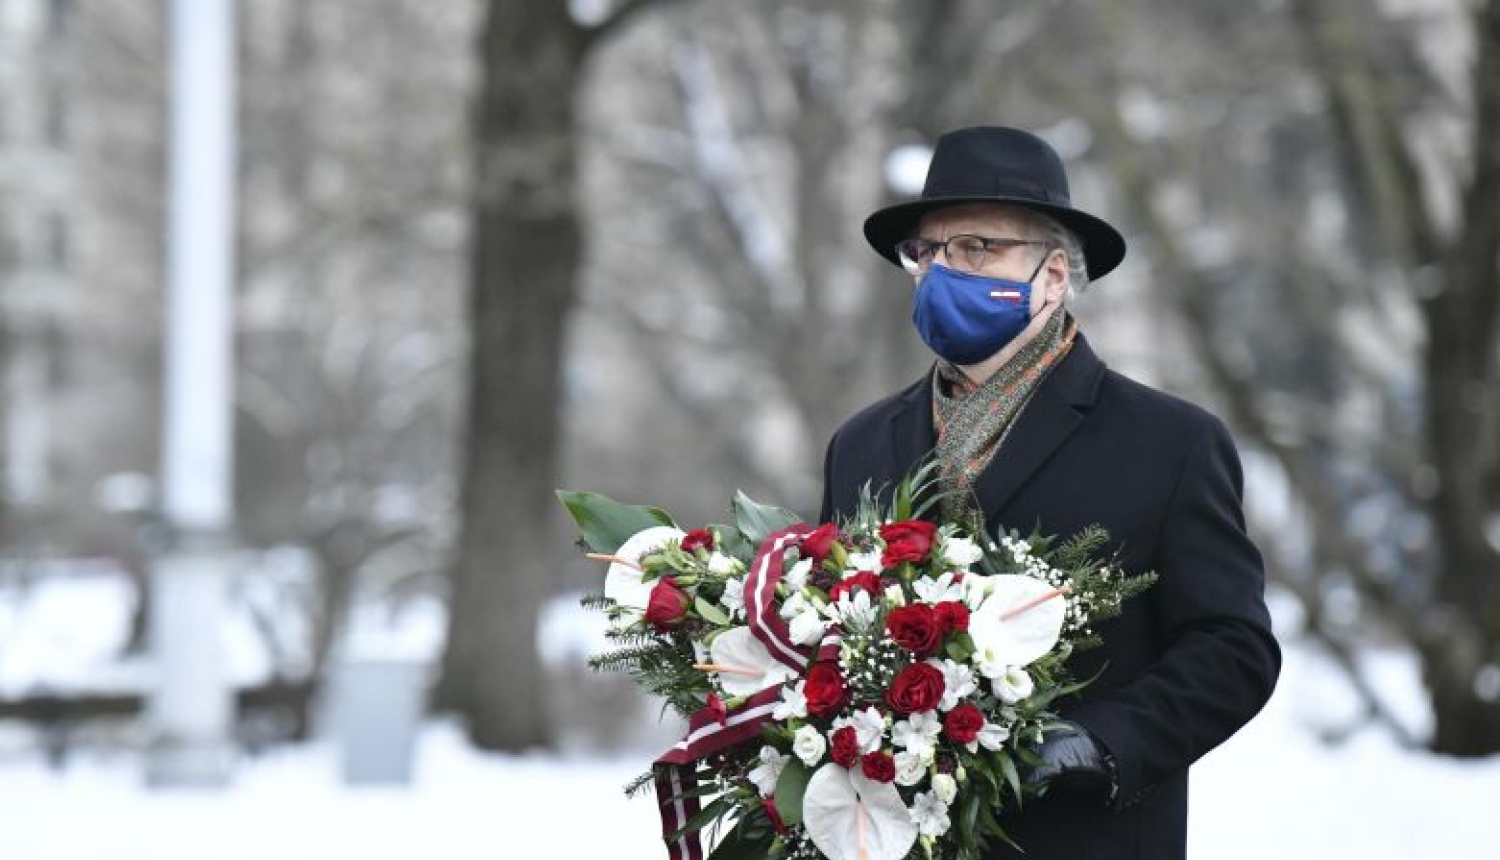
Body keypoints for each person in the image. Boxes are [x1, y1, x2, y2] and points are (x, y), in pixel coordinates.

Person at [817, 126, 1281, 860]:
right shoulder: (862, 443)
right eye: (927, 252)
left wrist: (1101, 742)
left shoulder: (1171, 442)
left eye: (975, 248)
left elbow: (1234, 649)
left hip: (1083, 837)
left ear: (1055, 275)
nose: (942, 271)